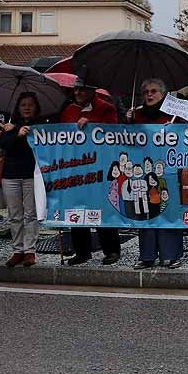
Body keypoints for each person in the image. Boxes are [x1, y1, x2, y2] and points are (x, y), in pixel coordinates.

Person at [59, 74, 122, 265]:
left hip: (100, 168)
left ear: (92, 91)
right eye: (76, 89)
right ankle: (82, 251)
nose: (77, 92)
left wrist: (91, 124)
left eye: (82, 89)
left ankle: (111, 250)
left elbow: (113, 134)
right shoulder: (69, 109)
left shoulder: (106, 108)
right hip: (76, 168)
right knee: (77, 209)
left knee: (103, 209)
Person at [130, 79, 184, 269]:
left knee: (169, 212)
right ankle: (147, 256)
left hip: (168, 171)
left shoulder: (174, 114)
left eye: (153, 91)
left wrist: (176, 128)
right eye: (146, 92)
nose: (149, 95)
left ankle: (172, 254)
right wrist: (126, 122)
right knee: (146, 212)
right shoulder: (135, 115)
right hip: (143, 172)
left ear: (162, 94)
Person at [0, 93, 41, 268]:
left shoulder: (40, 126)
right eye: (23, 105)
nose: (27, 108)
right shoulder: (9, 126)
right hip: (11, 175)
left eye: (30, 104)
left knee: (31, 213)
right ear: (18, 108)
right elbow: (4, 145)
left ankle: (30, 251)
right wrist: (16, 134)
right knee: (15, 215)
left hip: (31, 174)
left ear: (36, 107)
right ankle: (17, 250)